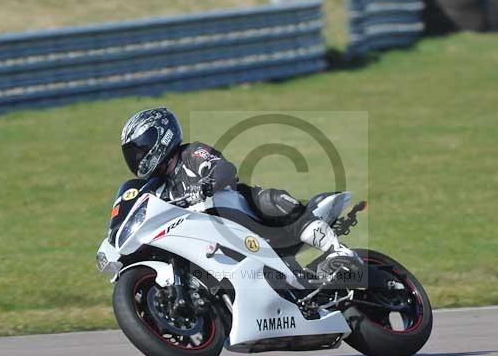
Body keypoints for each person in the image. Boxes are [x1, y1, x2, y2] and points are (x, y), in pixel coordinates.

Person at [119, 107, 362, 282]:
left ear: (162, 136)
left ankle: (338, 250)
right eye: (133, 152)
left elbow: (225, 168)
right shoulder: (160, 186)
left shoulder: (191, 154)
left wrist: (207, 184)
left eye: (141, 148)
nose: (138, 157)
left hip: (245, 214)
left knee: (269, 198)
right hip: (216, 242)